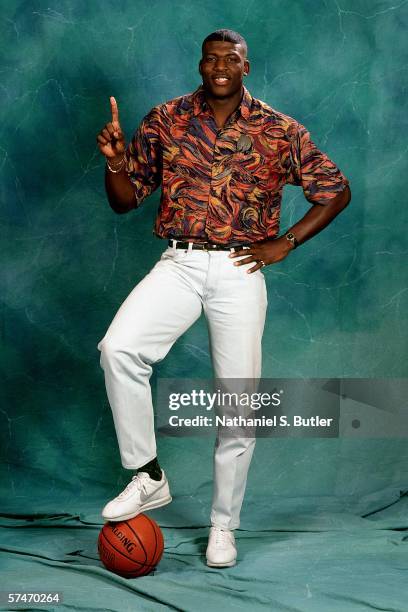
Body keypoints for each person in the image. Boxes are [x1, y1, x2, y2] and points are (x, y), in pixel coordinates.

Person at [96, 29, 351, 568]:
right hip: (180, 262)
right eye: (210, 58)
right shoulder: (165, 120)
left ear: (246, 66)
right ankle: (148, 475)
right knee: (119, 348)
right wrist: (117, 162)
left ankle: (223, 527)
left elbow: (335, 189)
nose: (218, 67)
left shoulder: (279, 130)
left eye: (229, 59)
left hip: (239, 269)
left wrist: (286, 242)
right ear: (199, 63)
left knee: (237, 403)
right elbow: (125, 202)